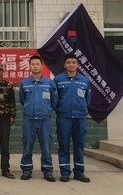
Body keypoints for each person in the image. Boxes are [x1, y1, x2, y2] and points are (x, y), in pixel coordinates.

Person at [19, 55, 58, 182]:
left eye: (37, 64)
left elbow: (54, 101)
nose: (35, 66)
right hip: (29, 120)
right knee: (27, 145)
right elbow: (22, 100)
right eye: (33, 64)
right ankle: (26, 170)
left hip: (44, 120)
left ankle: (48, 171)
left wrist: (47, 110)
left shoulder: (49, 83)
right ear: (29, 66)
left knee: (46, 146)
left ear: (41, 66)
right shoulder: (24, 83)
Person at [54, 54, 92, 183]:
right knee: (63, 144)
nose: (71, 64)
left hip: (80, 117)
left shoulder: (84, 81)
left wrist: (82, 110)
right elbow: (55, 98)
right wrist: (60, 110)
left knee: (79, 145)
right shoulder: (58, 80)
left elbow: (87, 99)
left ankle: (79, 172)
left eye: (74, 62)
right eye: (68, 62)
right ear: (64, 65)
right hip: (63, 117)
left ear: (78, 65)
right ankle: (65, 172)